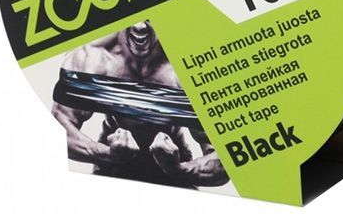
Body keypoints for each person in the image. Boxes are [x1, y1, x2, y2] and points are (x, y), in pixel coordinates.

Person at [51, 21, 228, 188]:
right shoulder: (92, 57)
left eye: (149, 17)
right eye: (133, 16)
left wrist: (176, 169)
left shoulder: (192, 65)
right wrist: (107, 154)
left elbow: (225, 159)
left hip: (174, 166)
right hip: (111, 167)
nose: (140, 26)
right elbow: (58, 128)